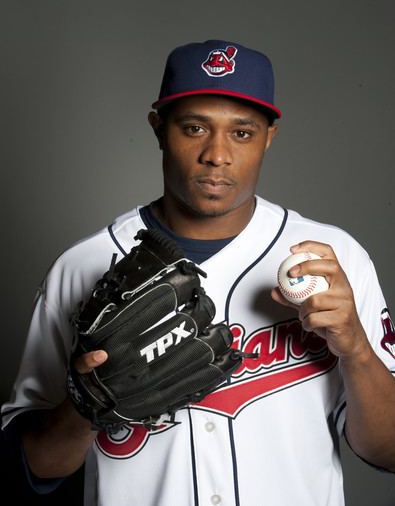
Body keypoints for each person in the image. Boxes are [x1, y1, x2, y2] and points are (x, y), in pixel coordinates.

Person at [2, 39, 395, 506]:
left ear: (269, 136)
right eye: (194, 128)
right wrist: (88, 405)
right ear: (158, 128)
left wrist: (356, 350)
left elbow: (388, 451)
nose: (217, 154)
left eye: (242, 133)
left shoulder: (337, 260)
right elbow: (35, 467)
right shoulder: (82, 267)